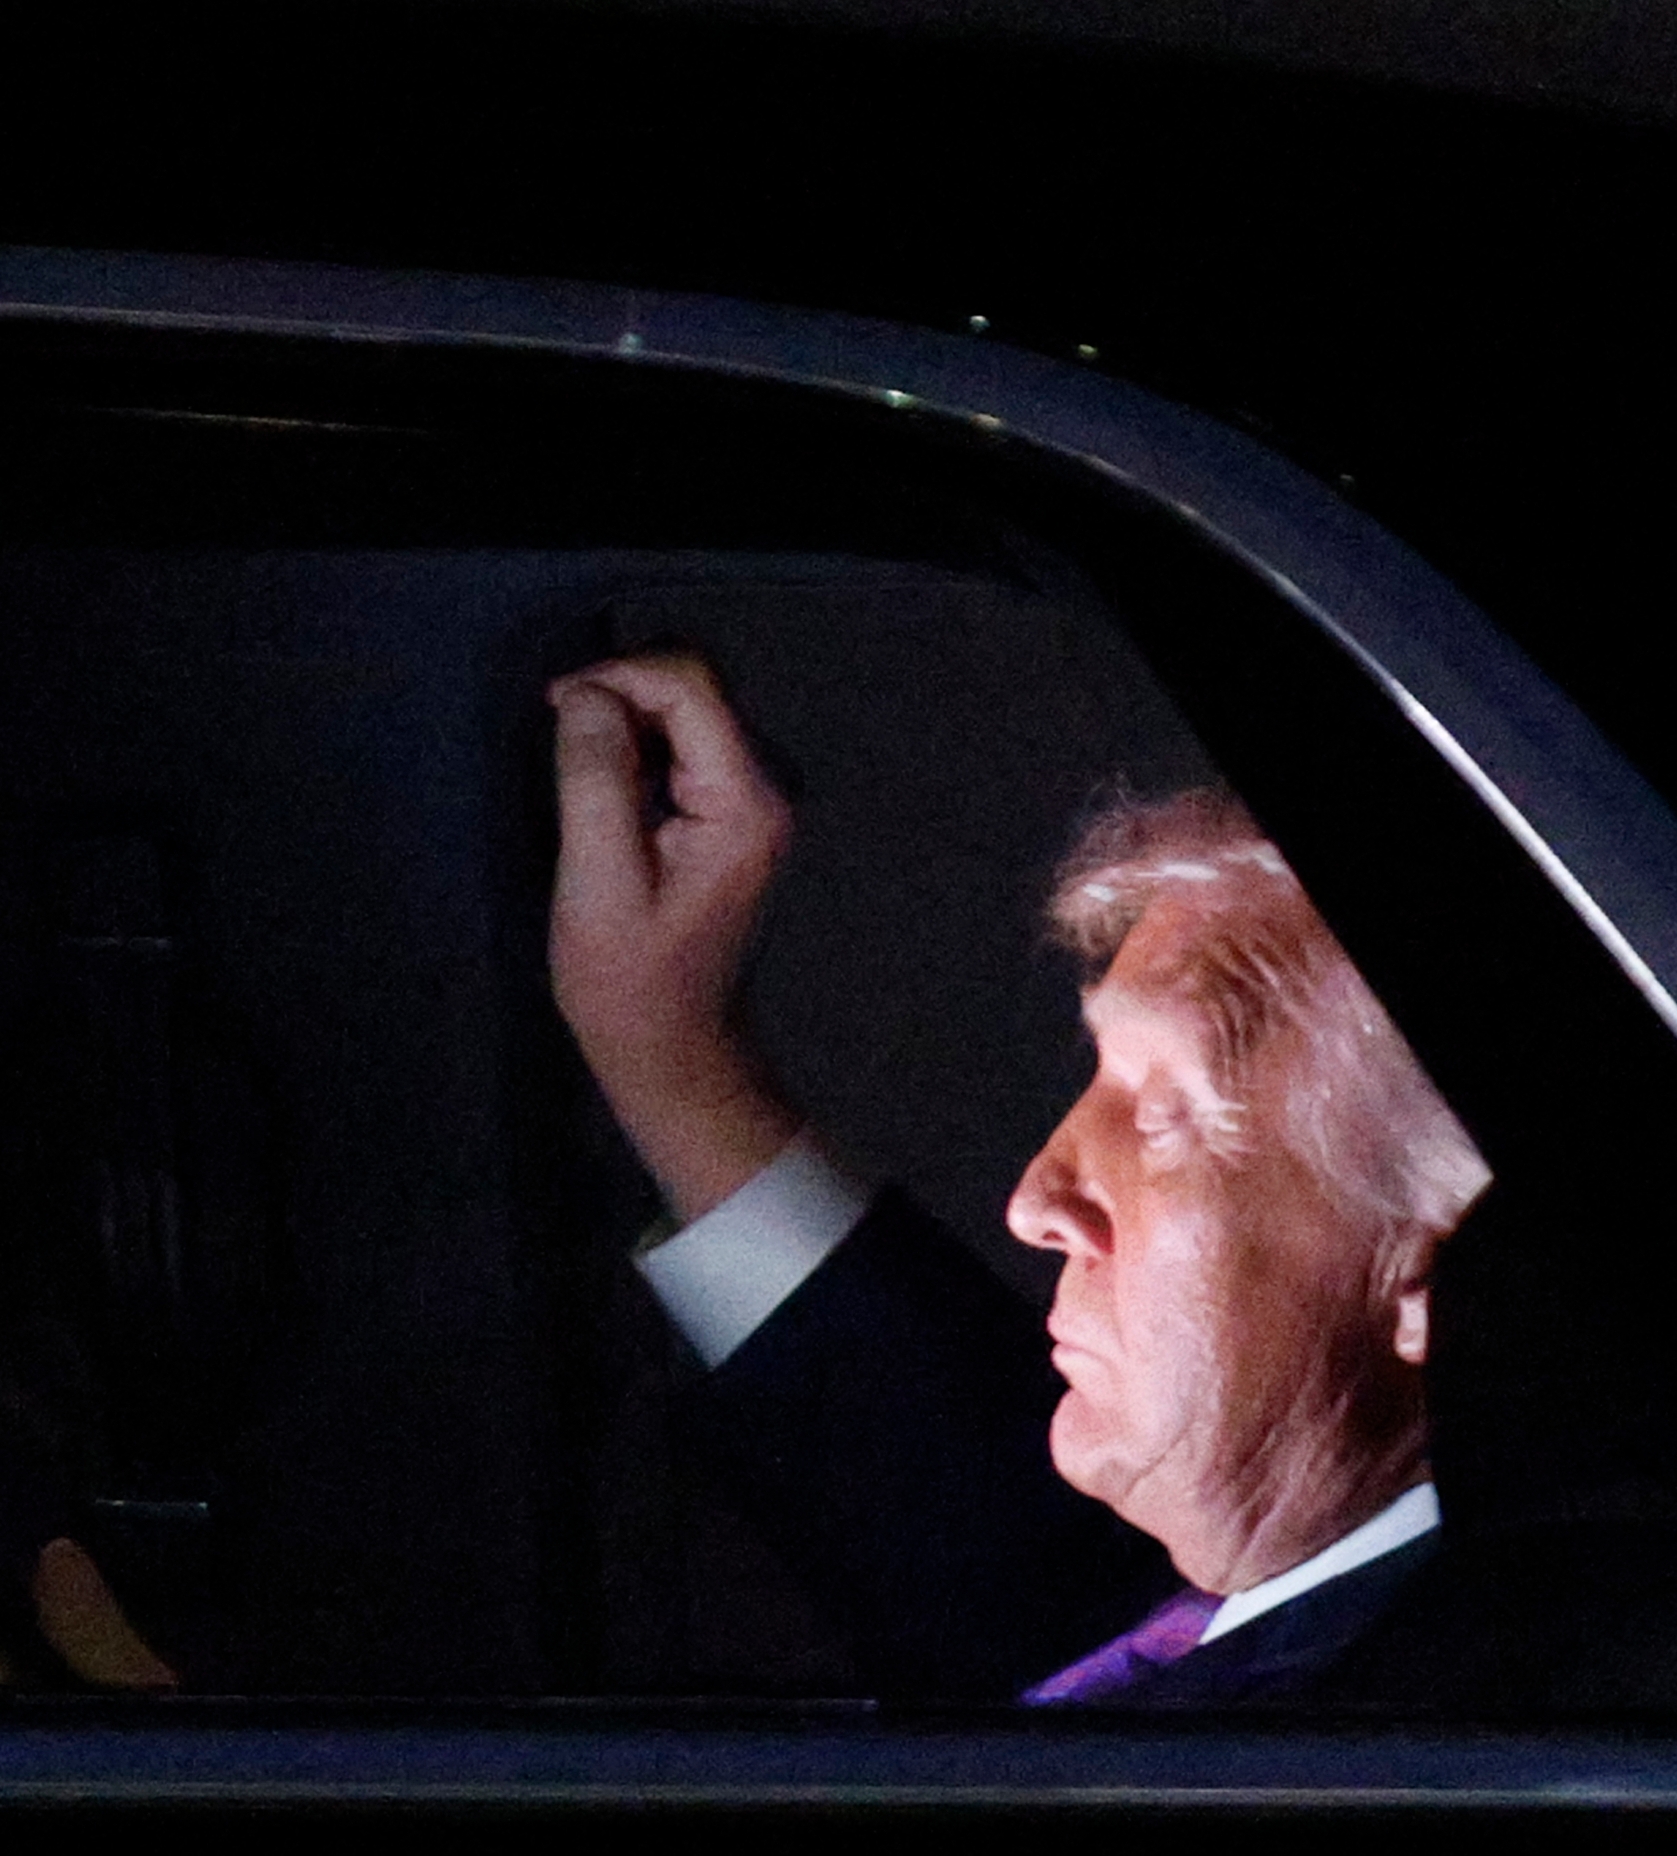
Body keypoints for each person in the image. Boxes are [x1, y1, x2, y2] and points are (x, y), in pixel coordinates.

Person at [544, 653, 1493, 1705]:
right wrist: (659, 1047)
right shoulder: (1302, 1585)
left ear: (1430, 1261)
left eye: (1164, 1107)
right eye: (1099, 1076)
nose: (1034, 1199)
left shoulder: (1391, 1729)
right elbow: (992, 1548)